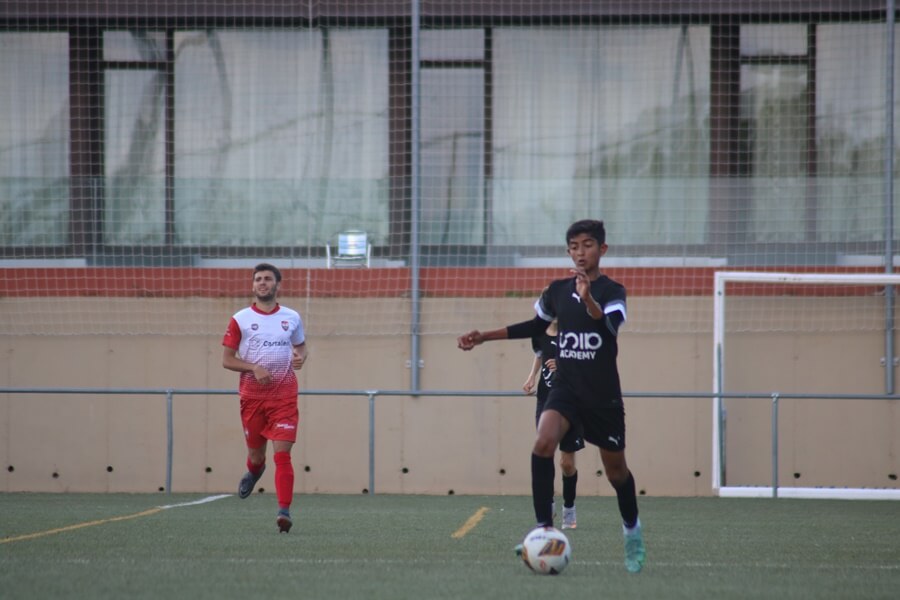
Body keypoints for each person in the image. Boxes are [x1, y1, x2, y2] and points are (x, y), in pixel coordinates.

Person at [457, 219, 646, 573]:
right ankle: (544, 528)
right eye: (573, 247)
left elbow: (607, 326)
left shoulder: (613, 292)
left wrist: (590, 300)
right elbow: (534, 327)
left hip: (603, 397)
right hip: (566, 390)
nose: (580, 252)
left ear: (602, 250)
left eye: (587, 245)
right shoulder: (557, 291)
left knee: (617, 472)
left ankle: (632, 529)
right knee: (543, 442)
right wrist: (485, 336)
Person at [222, 263, 308, 533]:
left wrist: (301, 356)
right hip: (252, 398)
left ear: (277, 285)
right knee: (257, 456)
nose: (262, 283)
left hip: (284, 397)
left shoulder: (291, 317)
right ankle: (255, 471)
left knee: (282, 455)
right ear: (253, 285)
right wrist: (253, 368)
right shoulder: (241, 318)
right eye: (258, 279)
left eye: (268, 279)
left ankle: (284, 511)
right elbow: (227, 360)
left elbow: (301, 346)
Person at [522, 318, 583, 529]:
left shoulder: (574, 333)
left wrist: (562, 364)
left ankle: (569, 508)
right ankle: (548, 504)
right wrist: (531, 376)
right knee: (545, 452)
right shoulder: (538, 333)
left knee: (566, 463)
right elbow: (539, 355)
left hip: (570, 401)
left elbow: (584, 363)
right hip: (546, 401)